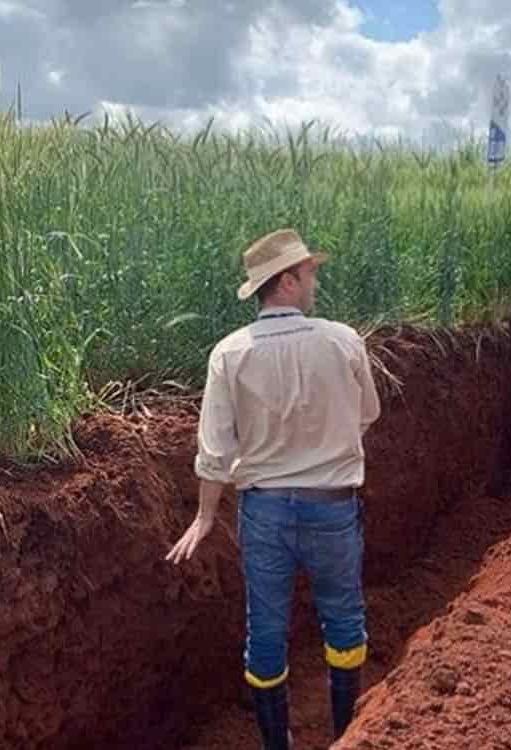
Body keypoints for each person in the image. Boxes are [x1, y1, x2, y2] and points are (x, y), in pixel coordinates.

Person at [167, 229, 382, 750]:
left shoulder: (230, 353)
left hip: (264, 515)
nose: (314, 282)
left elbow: (215, 451)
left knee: (265, 632)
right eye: (309, 274)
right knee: (344, 621)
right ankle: (346, 737)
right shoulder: (341, 340)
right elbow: (366, 416)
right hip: (332, 510)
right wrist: (325, 446)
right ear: (286, 281)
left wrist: (205, 516)